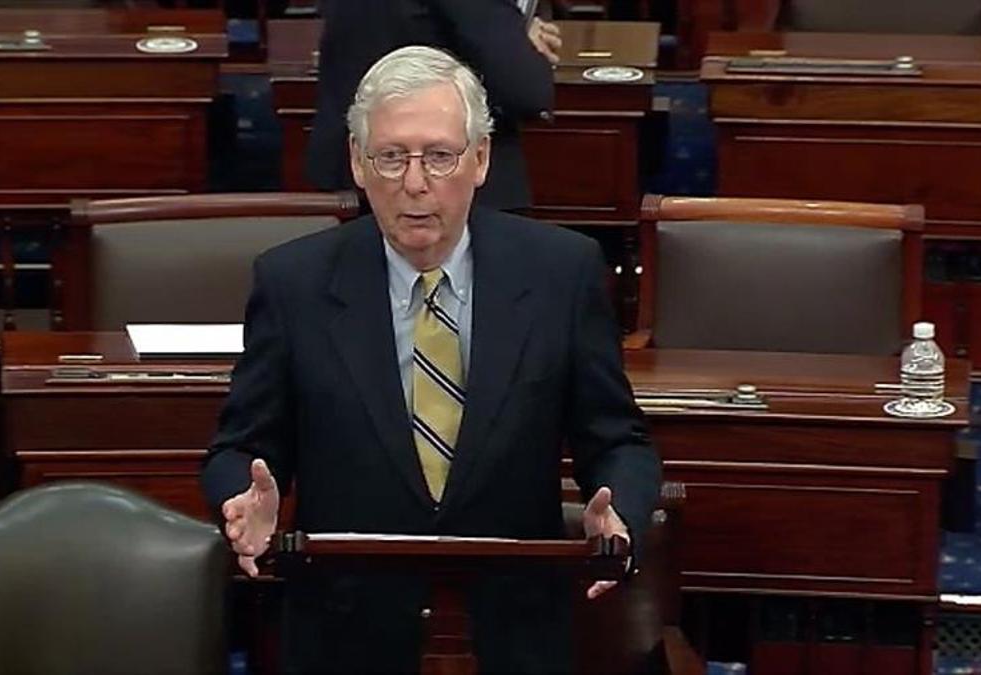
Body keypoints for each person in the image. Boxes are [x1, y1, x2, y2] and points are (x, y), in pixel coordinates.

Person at [202, 45, 660, 673]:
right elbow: (238, 447)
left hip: (514, 630)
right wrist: (243, 503)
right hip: (347, 632)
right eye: (392, 157)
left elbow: (618, 440)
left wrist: (621, 514)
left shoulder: (562, 272)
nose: (415, 183)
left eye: (439, 156)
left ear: (480, 159)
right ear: (358, 165)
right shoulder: (293, 283)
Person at [304, 0, 562, 211]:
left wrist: (512, 36)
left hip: (352, 176)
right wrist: (522, 44)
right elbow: (525, 89)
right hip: (455, 198)